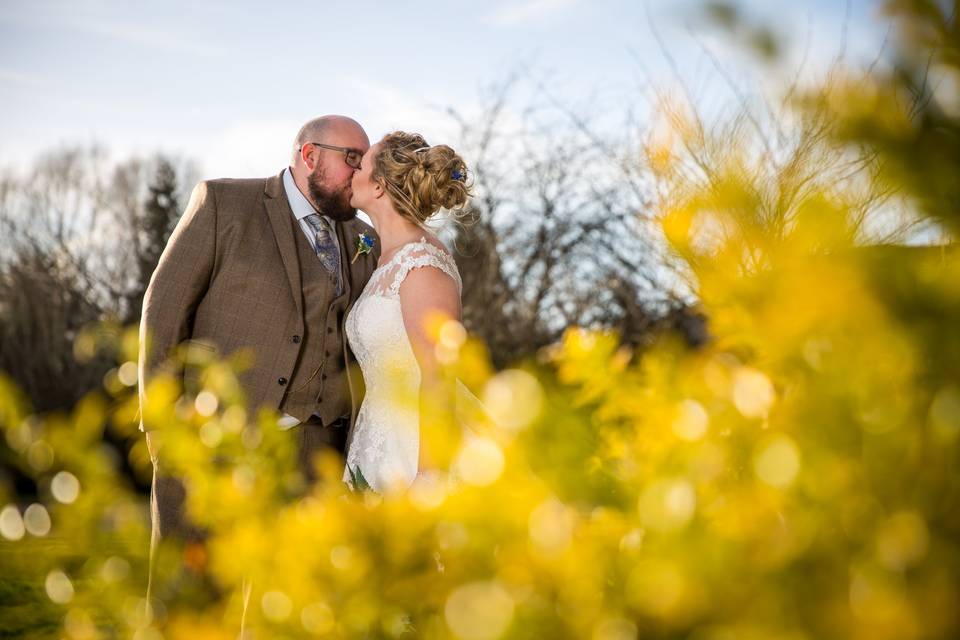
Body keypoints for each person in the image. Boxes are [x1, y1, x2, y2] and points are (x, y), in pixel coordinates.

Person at [138, 115, 380, 540]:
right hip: (217, 441)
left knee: (286, 601)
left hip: (317, 455)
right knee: (193, 593)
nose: (361, 173)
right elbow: (163, 311)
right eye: (352, 159)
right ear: (310, 156)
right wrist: (162, 427)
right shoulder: (223, 204)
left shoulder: (365, 237)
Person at [342, 131, 471, 494]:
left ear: (380, 185)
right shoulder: (385, 259)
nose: (352, 173)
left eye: (361, 165)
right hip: (375, 444)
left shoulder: (423, 265)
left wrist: (429, 477)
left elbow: (439, 376)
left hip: (416, 452)